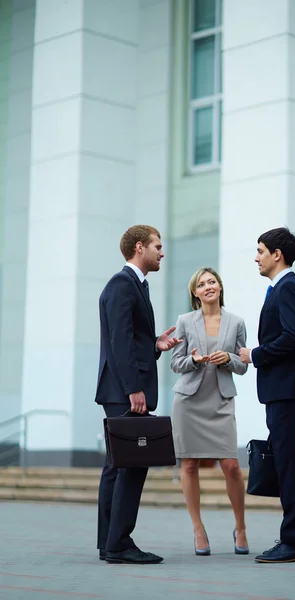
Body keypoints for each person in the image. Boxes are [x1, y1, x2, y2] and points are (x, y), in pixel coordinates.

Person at [95, 225, 181, 565]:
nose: (162, 252)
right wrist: (134, 388)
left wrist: (155, 345)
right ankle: (119, 544)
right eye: (158, 246)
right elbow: (118, 341)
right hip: (125, 390)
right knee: (131, 466)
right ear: (140, 247)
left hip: (123, 388)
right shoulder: (122, 284)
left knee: (117, 467)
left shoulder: (135, 286)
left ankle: (110, 542)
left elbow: (130, 338)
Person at [240, 227, 295, 564]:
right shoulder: (284, 288)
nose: (256, 257)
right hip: (283, 389)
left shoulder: (289, 288)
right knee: (286, 463)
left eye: (260, 250)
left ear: (277, 255)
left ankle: (294, 541)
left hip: (286, 389)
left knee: (288, 465)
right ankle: (293, 538)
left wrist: (254, 355)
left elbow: (292, 338)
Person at [170, 267, 249, 556]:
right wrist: (193, 360)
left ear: (219, 286)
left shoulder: (237, 322)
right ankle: (198, 529)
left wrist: (228, 358)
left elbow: (242, 365)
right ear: (195, 292)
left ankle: (240, 527)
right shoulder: (185, 321)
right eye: (201, 284)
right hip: (189, 400)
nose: (208, 287)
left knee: (231, 466)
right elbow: (175, 363)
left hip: (221, 399)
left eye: (211, 281)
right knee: (189, 466)